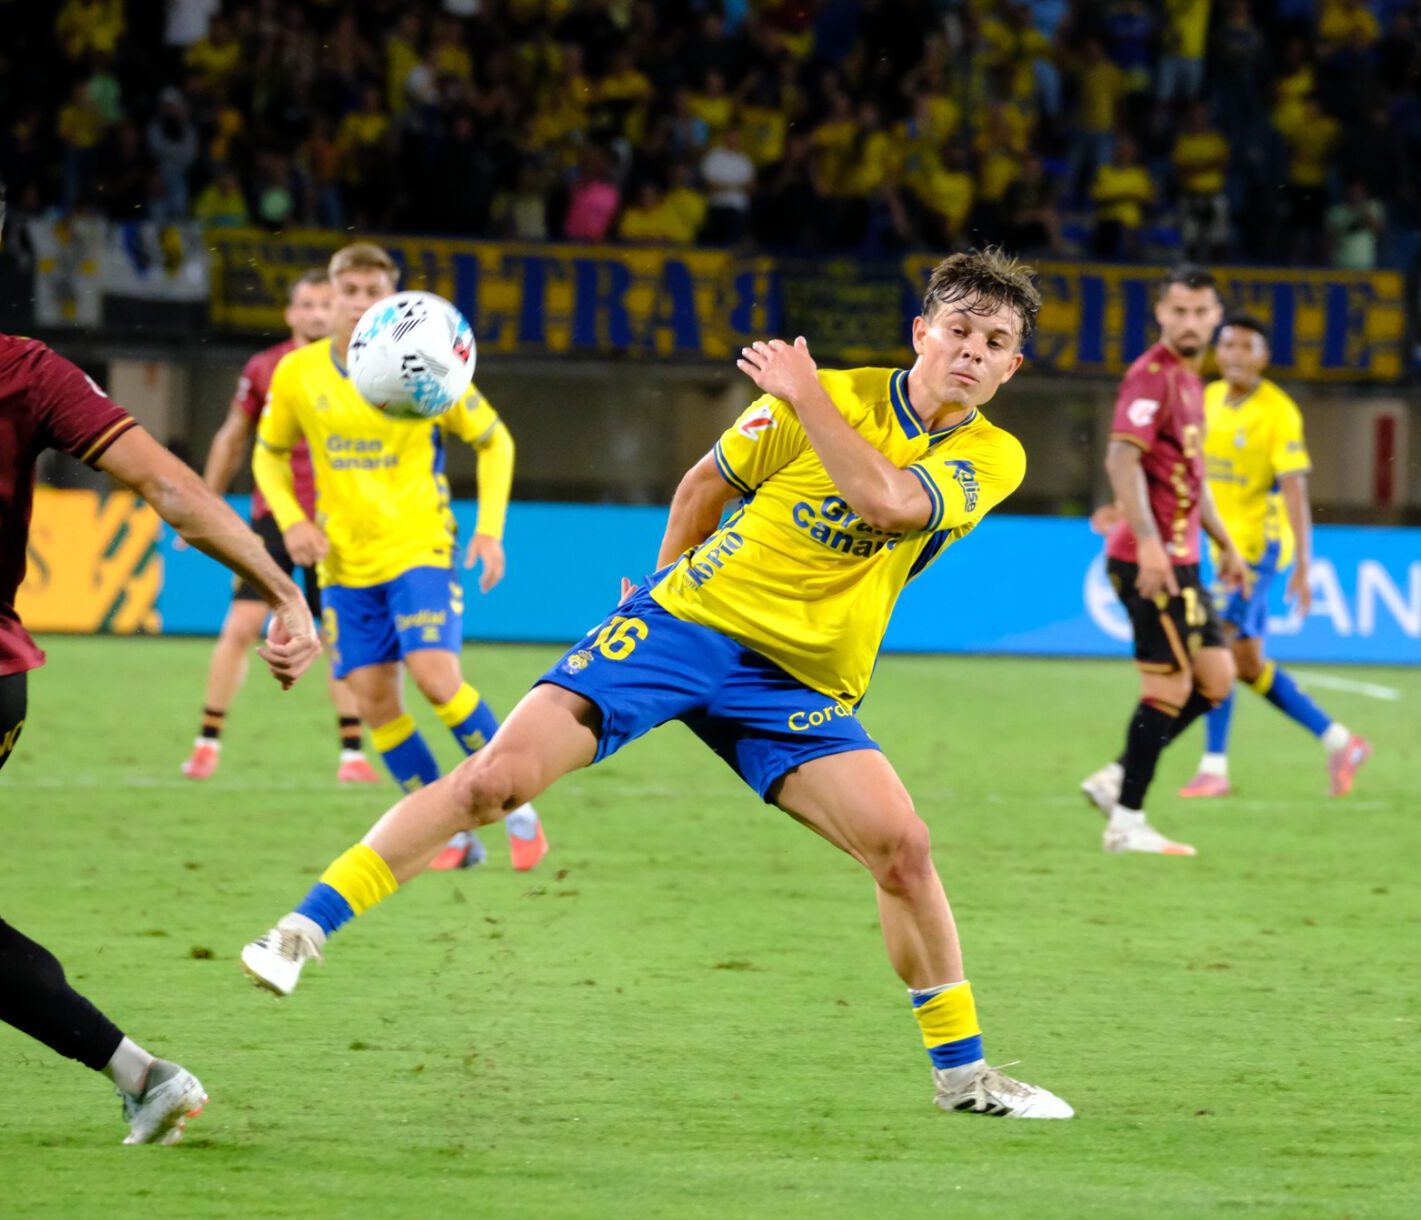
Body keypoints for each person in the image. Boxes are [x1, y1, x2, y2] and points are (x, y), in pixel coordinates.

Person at [239, 249, 1072, 1120]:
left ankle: (964, 1079)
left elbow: (891, 505)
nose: (971, 352)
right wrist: (660, 593)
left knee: (902, 848)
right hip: (686, 626)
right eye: (958, 331)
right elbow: (702, 486)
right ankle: (301, 930)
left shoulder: (988, 452)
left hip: (796, 677)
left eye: (995, 341)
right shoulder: (832, 394)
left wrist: (806, 395)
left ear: (1013, 366)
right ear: (921, 335)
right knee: (495, 780)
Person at [0, 139, 320, 1144]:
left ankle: (145, 1075)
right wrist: (281, 588)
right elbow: (172, 490)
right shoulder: (27, 367)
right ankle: (143, 1074)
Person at [250, 242, 547, 872]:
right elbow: (268, 454)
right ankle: (453, 836)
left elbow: (495, 442)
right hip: (343, 566)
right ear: (330, 299)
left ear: (391, 299)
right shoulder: (297, 374)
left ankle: (517, 805)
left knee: (437, 677)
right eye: (348, 292)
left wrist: (490, 531)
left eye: (371, 292)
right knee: (376, 704)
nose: (359, 303)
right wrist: (293, 519)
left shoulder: (425, 365)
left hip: (420, 548)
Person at [181, 269, 378, 785]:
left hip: (339, 520)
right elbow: (233, 436)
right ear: (290, 314)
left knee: (338, 635)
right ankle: (206, 743)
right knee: (242, 625)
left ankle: (353, 755)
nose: (316, 313)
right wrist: (201, 503)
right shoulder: (267, 367)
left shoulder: (365, 365)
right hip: (275, 516)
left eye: (324, 304)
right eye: (307, 305)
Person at [1079, 267, 1244, 856]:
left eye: (1201, 312)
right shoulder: (1151, 377)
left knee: (1217, 679)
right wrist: (1148, 544)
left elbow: (1189, 480)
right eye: (1179, 312)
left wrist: (1224, 542)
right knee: (1169, 687)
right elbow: (1122, 461)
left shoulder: (1192, 381)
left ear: (1216, 316)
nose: (1191, 322)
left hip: (1186, 560)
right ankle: (1126, 821)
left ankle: (1119, 775)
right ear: (1161, 314)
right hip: (1149, 560)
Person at [1180, 315, 1370, 800]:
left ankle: (1214, 767)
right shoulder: (1206, 400)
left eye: (1248, 347)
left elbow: (1294, 491)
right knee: (1245, 662)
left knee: (1216, 645)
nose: (1236, 355)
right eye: (1228, 345)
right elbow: (1185, 469)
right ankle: (1341, 742)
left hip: (1259, 549)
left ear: (1264, 357)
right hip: (1222, 547)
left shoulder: (1279, 412)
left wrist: (1304, 564)